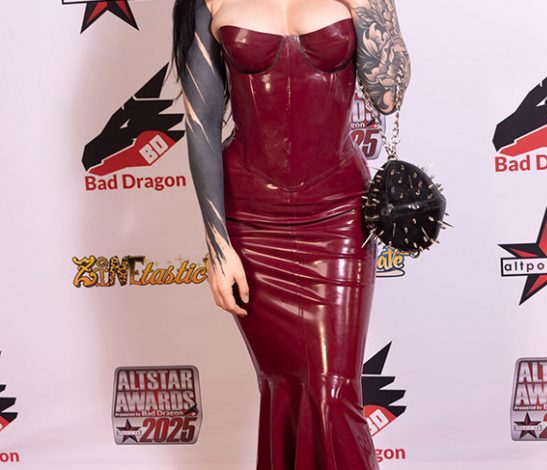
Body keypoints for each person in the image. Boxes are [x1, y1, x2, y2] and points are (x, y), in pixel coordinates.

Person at [171, 0, 410, 468]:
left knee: (332, 389)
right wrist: (218, 247)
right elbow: (201, 126)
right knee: (285, 388)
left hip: (338, 214)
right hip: (252, 220)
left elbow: (388, 97)